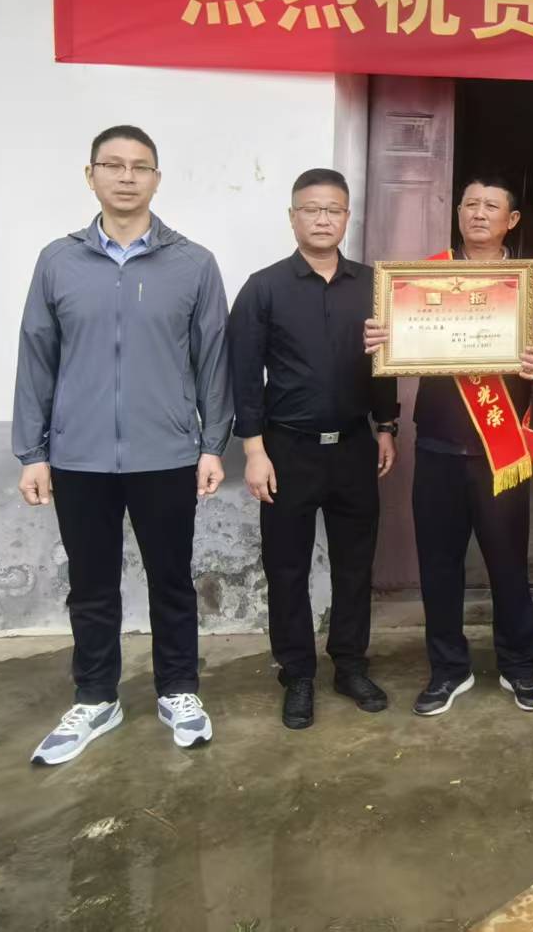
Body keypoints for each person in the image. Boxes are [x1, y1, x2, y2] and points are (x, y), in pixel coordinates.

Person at [14, 124, 232, 766]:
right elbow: (36, 356)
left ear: (157, 179)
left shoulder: (193, 263)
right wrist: (32, 452)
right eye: (113, 165)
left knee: (172, 580)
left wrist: (212, 444)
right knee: (90, 584)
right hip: (78, 456)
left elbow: (213, 361)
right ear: (91, 176)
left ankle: (179, 689)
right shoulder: (58, 261)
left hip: (167, 453)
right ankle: (95, 697)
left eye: (140, 166)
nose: (127, 177)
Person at [362, 173, 533, 717]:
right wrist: (383, 340)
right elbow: (397, 349)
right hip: (439, 444)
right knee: (439, 566)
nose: (478, 213)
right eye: (471, 204)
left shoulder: (532, 284)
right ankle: (448, 669)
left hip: (502, 450)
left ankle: (519, 666)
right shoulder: (423, 278)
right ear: (459, 213)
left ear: (511, 220)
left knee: (508, 566)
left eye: (491, 206)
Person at [228, 168, 399, 731]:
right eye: (311, 209)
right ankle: (297, 672)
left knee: (355, 564)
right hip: (287, 450)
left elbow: (387, 362)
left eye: (334, 210)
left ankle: (350, 665)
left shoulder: (374, 285)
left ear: (347, 217)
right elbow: (243, 375)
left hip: (353, 447)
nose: (323, 219)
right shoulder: (264, 288)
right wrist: (254, 450)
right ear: (293, 217)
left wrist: (387, 426)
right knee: (286, 567)